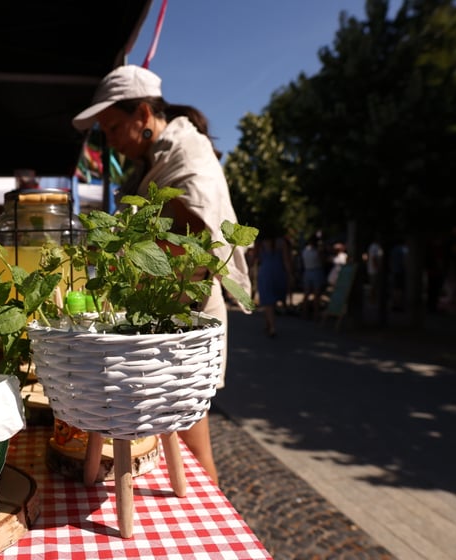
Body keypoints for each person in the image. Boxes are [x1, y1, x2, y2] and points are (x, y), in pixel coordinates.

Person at [72, 64, 251, 485]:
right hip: (161, 312)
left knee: (191, 445)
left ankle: (209, 535)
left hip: (184, 314)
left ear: (143, 114)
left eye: (114, 127)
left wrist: (152, 303)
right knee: (176, 439)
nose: (110, 141)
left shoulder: (187, 153)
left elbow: (199, 247)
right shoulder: (159, 157)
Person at [255, 232, 292, 337]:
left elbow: (255, 259)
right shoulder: (282, 242)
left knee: (267, 301)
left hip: (265, 271)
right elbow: (286, 261)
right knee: (273, 300)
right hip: (278, 271)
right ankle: (269, 324)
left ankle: (271, 327)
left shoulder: (260, 243)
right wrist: (290, 275)